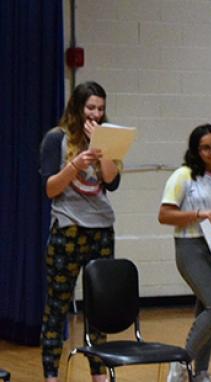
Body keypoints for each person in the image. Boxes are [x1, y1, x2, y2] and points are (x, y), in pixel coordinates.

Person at [39, 81, 121, 382]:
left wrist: (102, 151)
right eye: (90, 108)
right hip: (68, 228)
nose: (96, 114)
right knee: (57, 305)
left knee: (99, 307)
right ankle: (51, 374)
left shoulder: (108, 137)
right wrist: (74, 165)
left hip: (101, 228)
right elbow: (50, 188)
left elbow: (112, 182)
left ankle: (98, 373)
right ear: (77, 107)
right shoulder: (56, 138)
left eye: (100, 108)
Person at [158, 124, 211, 382]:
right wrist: (199, 215)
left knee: (207, 310)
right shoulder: (183, 176)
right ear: (196, 152)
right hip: (192, 246)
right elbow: (164, 215)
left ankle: (201, 372)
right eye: (205, 148)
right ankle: (181, 363)